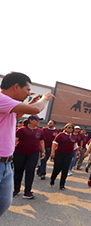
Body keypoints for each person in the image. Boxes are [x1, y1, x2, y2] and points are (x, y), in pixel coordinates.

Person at [0, 72, 53, 216]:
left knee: (4, 202)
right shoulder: (1, 98)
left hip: (6, 163)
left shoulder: (6, 104)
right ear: (16, 86)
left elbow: (15, 115)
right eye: (27, 90)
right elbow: (36, 110)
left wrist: (29, 103)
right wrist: (45, 98)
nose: (28, 93)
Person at [13, 115, 45, 199]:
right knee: (18, 171)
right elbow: (15, 140)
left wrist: (43, 152)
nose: (38, 122)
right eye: (37, 120)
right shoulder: (22, 130)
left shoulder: (40, 131)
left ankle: (27, 192)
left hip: (33, 154)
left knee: (30, 171)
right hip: (20, 153)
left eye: (39, 120)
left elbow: (41, 141)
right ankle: (16, 190)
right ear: (31, 120)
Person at [50, 123, 78, 190]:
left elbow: (75, 145)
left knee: (65, 170)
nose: (70, 129)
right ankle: (52, 179)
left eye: (71, 128)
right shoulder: (60, 135)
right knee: (57, 168)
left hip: (68, 154)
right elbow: (54, 144)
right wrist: (52, 152)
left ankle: (62, 184)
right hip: (59, 153)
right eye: (68, 127)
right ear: (65, 128)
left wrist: (77, 152)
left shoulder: (74, 136)